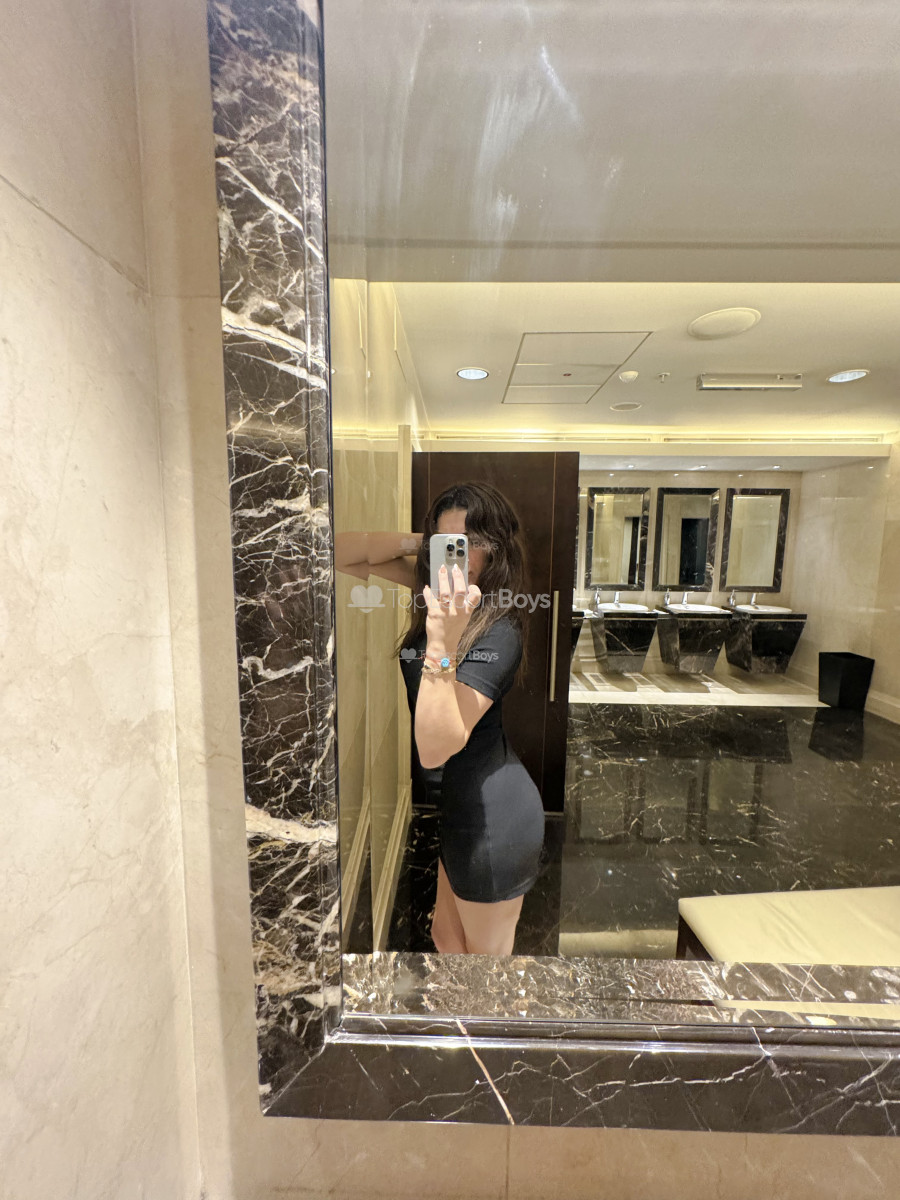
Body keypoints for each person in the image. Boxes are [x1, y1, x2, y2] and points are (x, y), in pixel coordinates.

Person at [335, 481, 546, 955]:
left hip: (493, 819)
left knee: (483, 976)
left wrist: (441, 643)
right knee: (445, 940)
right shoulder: (433, 589)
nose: (457, 557)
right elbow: (340, 551)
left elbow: (434, 748)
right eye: (448, 543)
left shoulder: (500, 628)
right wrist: (424, 543)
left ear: (496, 550)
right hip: (457, 805)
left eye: (469, 545)